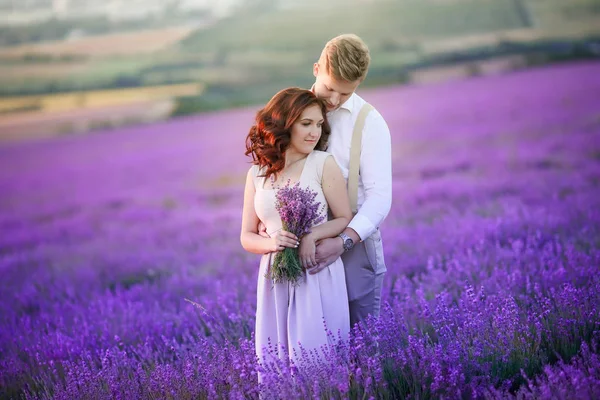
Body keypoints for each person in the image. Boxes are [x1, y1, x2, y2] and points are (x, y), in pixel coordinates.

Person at [240, 88, 352, 366]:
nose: (314, 132)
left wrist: (312, 235)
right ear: (284, 123)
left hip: (316, 272)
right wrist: (272, 243)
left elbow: (343, 218)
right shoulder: (257, 174)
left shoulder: (322, 163)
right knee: (277, 362)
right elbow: (247, 236)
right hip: (274, 278)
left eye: (318, 124)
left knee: (318, 360)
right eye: (306, 124)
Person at [307, 34, 392, 328]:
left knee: (362, 350)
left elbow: (380, 197)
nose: (333, 100)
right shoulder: (288, 112)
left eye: (344, 94)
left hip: (354, 247)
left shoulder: (370, 122)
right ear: (316, 69)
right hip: (302, 248)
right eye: (329, 88)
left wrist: (342, 242)